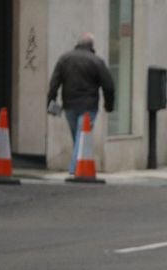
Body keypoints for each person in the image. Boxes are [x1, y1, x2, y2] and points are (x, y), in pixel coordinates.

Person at [47, 33, 116, 175]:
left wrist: (51, 103)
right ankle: (75, 169)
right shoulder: (96, 61)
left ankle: (79, 165)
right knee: (81, 137)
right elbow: (109, 86)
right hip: (88, 106)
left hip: (69, 105)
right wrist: (109, 105)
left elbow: (54, 83)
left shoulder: (64, 59)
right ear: (92, 46)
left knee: (78, 136)